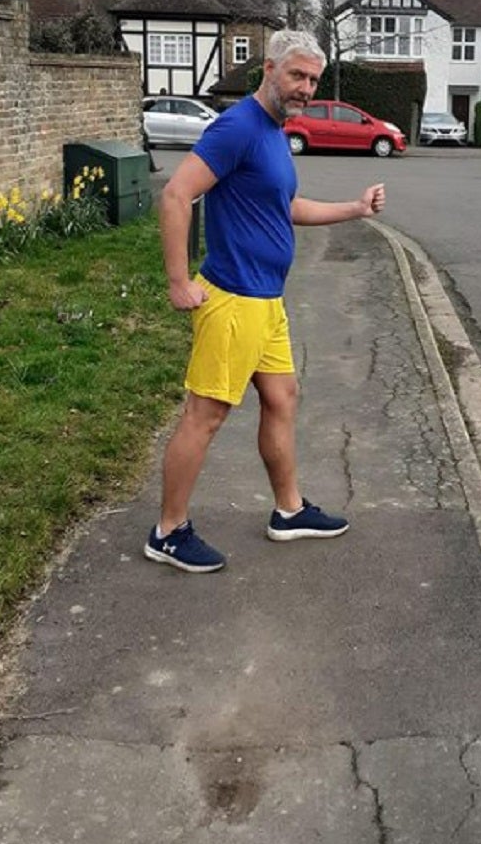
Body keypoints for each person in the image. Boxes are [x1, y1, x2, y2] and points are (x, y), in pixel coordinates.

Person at [144, 29, 386, 573]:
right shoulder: (238, 127)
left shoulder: (275, 132)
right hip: (233, 298)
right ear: (269, 70)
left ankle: (289, 510)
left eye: (313, 80)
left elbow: (287, 206)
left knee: (282, 397)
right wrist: (179, 281)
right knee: (205, 416)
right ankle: (168, 531)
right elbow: (177, 194)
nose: (305, 87)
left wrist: (355, 209)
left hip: (266, 301)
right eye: (297, 75)